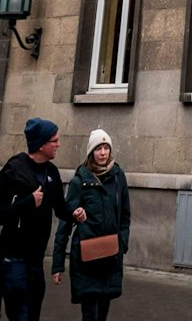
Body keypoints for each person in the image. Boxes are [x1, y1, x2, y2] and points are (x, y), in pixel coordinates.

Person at [0, 117, 84, 321]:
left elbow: (60, 208)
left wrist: (74, 213)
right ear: (41, 144)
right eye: (54, 141)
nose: (58, 144)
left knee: (32, 315)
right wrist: (28, 202)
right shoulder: (14, 169)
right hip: (13, 258)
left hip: (36, 259)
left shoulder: (52, 172)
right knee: (20, 315)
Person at [53, 129, 131, 321]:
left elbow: (125, 216)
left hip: (110, 258)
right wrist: (58, 264)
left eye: (106, 148)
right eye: (98, 148)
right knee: (90, 315)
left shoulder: (118, 176)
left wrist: (121, 243)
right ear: (91, 152)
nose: (103, 153)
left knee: (102, 315)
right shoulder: (80, 180)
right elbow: (65, 222)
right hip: (86, 261)